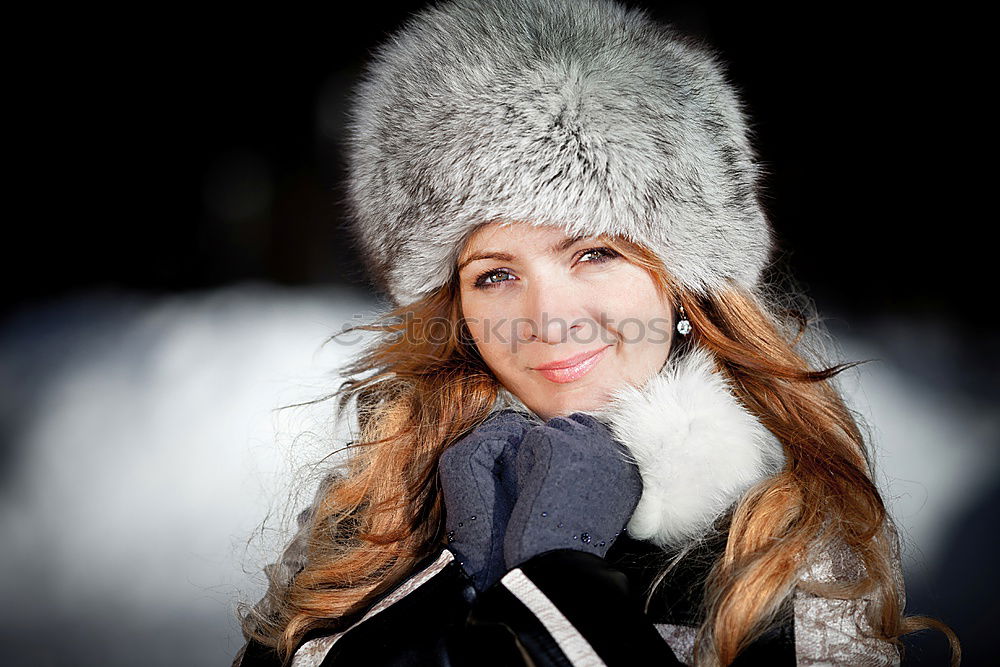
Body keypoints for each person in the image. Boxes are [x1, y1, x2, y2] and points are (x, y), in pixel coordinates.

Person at [232, 0, 960, 665]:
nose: (548, 320)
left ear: (681, 277)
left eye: (595, 252)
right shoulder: (386, 494)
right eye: (494, 274)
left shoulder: (794, 538)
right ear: (456, 308)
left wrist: (557, 583)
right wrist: (444, 580)